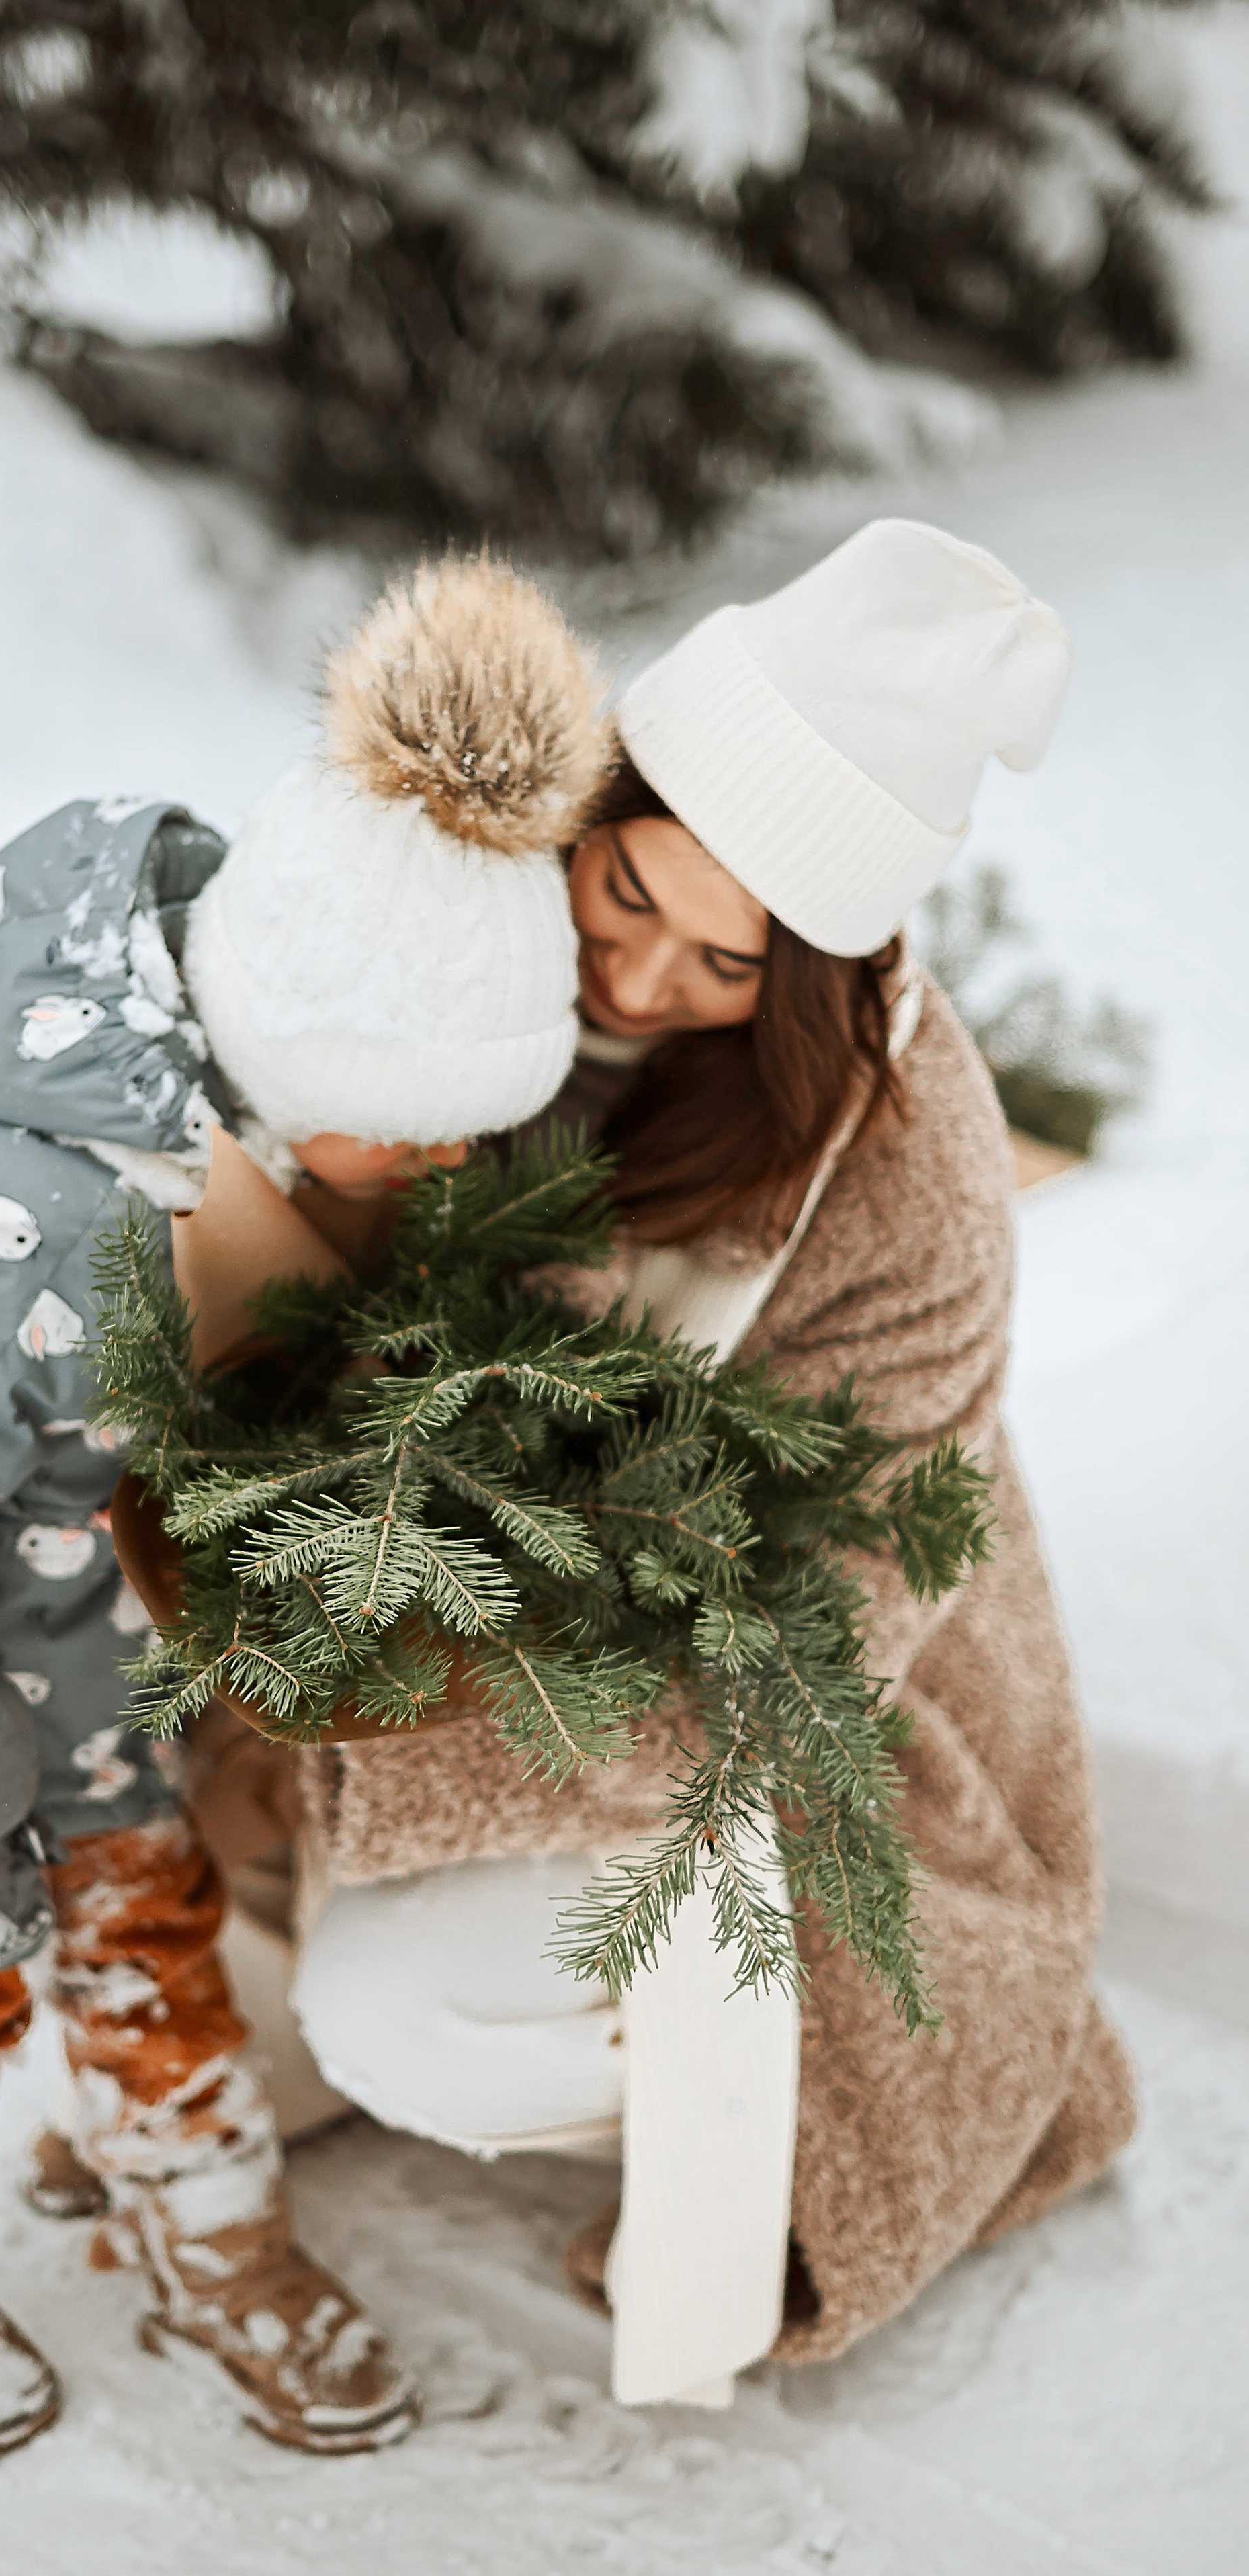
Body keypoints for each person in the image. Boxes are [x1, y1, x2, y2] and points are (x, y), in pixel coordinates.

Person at [0, 556, 603, 2457]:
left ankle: (211, 2230)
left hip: (47, 1638)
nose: (441, 1163)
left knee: (143, 1914)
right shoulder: (19, 1208)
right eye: (423, 1120)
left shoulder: (177, 1117)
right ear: (320, 1043)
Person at [284, 519, 1139, 2403]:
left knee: (406, 2007)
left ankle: (744, 2094)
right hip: (452, 1608)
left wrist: (399, 1751)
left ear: (824, 975)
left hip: (787, 1718)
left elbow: (801, 1657)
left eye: (730, 959)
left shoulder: (908, 1176)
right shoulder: (463, 930)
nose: (647, 977)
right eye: (627, 890)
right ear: (594, 806)